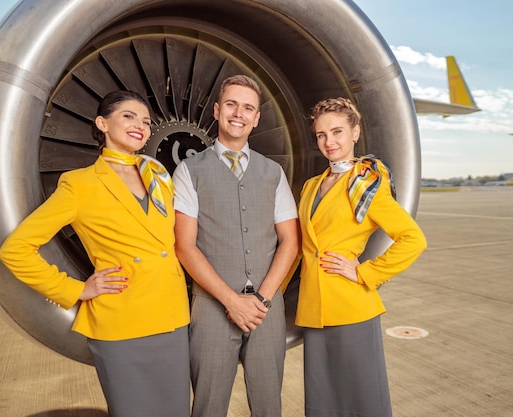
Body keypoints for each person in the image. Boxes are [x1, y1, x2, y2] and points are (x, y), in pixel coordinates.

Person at [0, 91, 191, 417]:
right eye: (128, 116)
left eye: (145, 121)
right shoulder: (80, 184)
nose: (141, 125)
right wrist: (76, 289)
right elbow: (15, 250)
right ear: (102, 123)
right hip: (121, 321)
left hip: (171, 317)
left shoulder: (159, 176)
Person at [173, 74, 300, 417]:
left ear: (256, 118)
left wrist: (261, 299)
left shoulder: (273, 172)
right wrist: (231, 301)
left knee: (269, 406)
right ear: (217, 110)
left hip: (265, 310)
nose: (238, 113)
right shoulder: (188, 170)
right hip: (212, 310)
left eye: (248, 108)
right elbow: (184, 246)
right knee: (208, 407)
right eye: (231, 104)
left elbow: (291, 240)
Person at [296, 97, 427, 417]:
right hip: (314, 308)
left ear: (355, 133)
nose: (329, 142)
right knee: (322, 400)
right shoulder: (312, 186)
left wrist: (365, 272)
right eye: (321, 135)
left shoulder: (366, 182)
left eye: (337, 132)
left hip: (351, 305)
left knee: (362, 399)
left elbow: (413, 239)